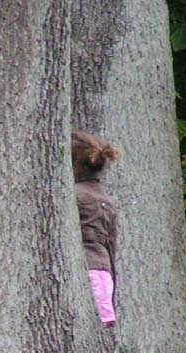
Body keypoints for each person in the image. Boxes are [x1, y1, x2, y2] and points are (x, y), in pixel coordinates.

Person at [72, 130, 120, 328]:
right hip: (103, 271)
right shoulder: (108, 200)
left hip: (84, 268)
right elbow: (112, 243)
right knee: (102, 323)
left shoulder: (73, 195)